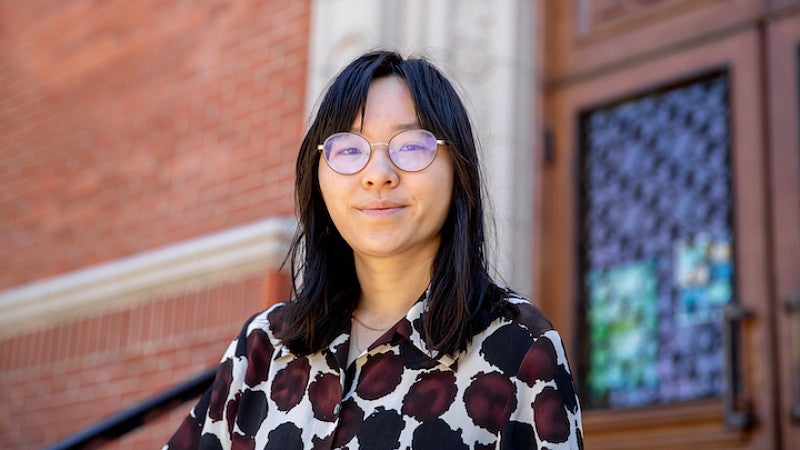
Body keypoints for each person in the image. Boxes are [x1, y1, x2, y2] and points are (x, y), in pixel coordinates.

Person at [165, 50, 583, 449]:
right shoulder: (263, 346)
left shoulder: (521, 348)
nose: (378, 175)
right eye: (349, 149)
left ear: (458, 169)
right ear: (318, 177)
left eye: (412, 146)